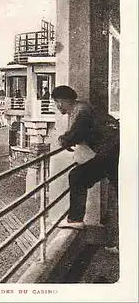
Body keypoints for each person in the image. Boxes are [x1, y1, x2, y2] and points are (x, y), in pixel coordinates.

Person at [52, 86, 119, 252]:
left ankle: (75, 219)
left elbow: (75, 134)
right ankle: (116, 242)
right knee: (119, 196)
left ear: (60, 102)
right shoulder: (85, 107)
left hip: (110, 153)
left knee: (77, 177)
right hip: (115, 151)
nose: (57, 107)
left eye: (56, 103)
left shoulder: (80, 110)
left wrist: (63, 140)